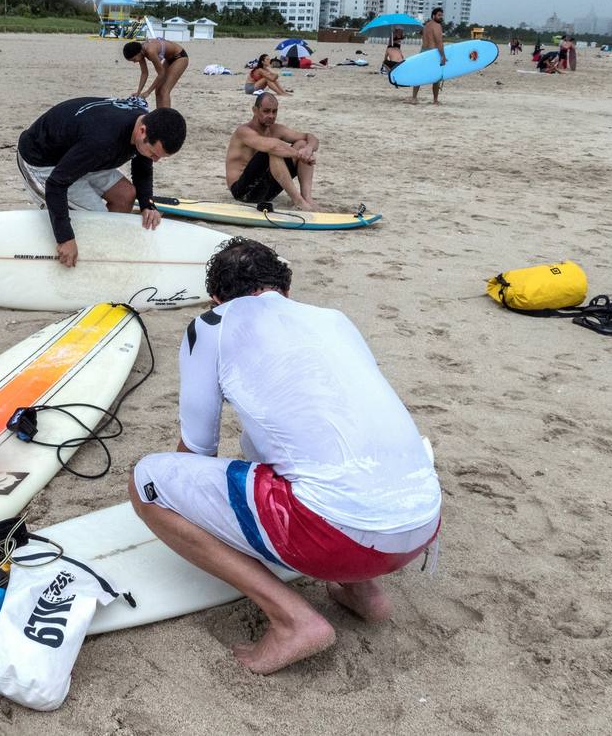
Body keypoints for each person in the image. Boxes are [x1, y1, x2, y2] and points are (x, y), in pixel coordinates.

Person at [130, 237, 442, 674]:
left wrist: (175, 508)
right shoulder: (335, 319)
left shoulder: (212, 324)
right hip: (421, 523)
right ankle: (363, 593)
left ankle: (293, 620)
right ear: (285, 289)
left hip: (338, 537)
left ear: (217, 299)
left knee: (146, 482)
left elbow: (198, 449)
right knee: (294, 444)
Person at [16, 96, 186, 267]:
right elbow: (56, 185)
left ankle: (104, 252)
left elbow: (142, 166)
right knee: (100, 218)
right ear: (142, 131)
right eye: (153, 153)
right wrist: (65, 238)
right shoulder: (103, 140)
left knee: (125, 195)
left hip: (78, 155)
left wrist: (147, 204)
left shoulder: (144, 123)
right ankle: (84, 257)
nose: (155, 160)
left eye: (160, 156)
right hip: (42, 162)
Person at [226, 93, 319, 211]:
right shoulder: (244, 131)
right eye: (266, 111)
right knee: (273, 150)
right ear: (255, 110)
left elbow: (310, 137)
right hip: (243, 191)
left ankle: (307, 198)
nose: (271, 116)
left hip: (267, 192)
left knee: (302, 144)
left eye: (274, 111)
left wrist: (308, 149)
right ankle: (298, 201)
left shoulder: (276, 129)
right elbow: (273, 147)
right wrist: (300, 155)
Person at [123, 37, 189, 109]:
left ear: (138, 52)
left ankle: (168, 117)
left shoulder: (150, 51)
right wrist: (138, 92)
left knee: (164, 90)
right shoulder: (140, 51)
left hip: (180, 57)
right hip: (169, 59)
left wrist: (148, 92)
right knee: (157, 90)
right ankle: (160, 115)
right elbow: (144, 73)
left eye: (134, 59)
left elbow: (161, 74)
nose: (134, 62)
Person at [408, 7, 446, 105]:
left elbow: (423, 36)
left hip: (423, 51)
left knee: (419, 75)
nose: (441, 17)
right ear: (433, 16)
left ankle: (414, 98)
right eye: (439, 15)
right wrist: (443, 56)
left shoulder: (426, 25)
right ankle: (435, 100)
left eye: (442, 15)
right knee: (437, 77)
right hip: (432, 53)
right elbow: (439, 42)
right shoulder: (437, 26)